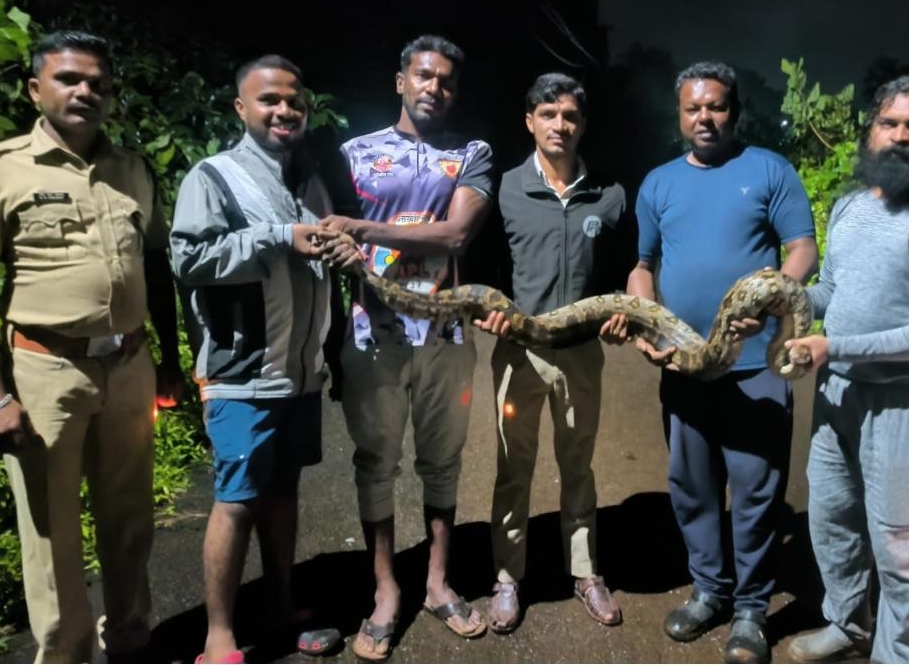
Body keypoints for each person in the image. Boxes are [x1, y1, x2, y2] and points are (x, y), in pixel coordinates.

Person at [0, 30, 183, 663]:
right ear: (36, 88)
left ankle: (133, 639)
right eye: (69, 79)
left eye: (98, 84)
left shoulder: (133, 170)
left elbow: (154, 267)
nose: (85, 91)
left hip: (130, 364)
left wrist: (167, 359)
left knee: (130, 514)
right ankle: (65, 652)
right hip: (45, 370)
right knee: (50, 529)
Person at [780, 76, 909, 663]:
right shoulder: (849, 206)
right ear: (870, 130)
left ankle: (902, 656)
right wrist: (784, 298)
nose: (900, 136)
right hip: (837, 396)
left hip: (903, 405)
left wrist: (833, 346)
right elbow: (831, 292)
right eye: (889, 123)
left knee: (905, 550)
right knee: (832, 522)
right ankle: (846, 624)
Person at [621, 61, 818, 664]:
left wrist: (774, 299)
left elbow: (803, 249)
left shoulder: (768, 170)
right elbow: (643, 266)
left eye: (716, 107)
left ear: (735, 111)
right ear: (678, 115)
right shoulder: (657, 183)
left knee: (757, 491)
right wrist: (642, 313)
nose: (704, 118)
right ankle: (710, 591)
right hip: (684, 365)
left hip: (755, 365)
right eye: (692, 108)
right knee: (692, 487)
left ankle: (753, 610)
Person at [170, 55, 355, 664]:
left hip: (298, 374)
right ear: (241, 109)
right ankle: (218, 637)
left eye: (294, 102)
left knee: (282, 492)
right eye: (269, 100)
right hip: (243, 373)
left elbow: (319, 265)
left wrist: (342, 250)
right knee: (237, 500)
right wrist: (277, 238)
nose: (284, 111)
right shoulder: (212, 177)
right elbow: (188, 260)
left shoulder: (308, 180)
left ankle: (282, 604)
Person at [317, 34, 494, 660]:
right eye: (423, 75)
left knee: (443, 462)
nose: (434, 88)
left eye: (446, 80)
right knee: (377, 464)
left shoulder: (473, 154)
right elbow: (324, 238)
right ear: (401, 81)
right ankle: (387, 588)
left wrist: (360, 228)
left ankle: (439, 582)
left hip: (446, 334)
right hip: (372, 334)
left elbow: (454, 235)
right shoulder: (353, 155)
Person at [472, 73, 630, 633]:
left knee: (578, 465)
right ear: (529, 121)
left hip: (582, 354)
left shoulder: (609, 194)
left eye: (569, 116)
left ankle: (586, 572)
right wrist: (485, 313)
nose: (559, 124)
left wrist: (620, 314)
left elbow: (621, 271)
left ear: (582, 124)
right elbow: (482, 270)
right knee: (513, 468)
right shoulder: (506, 190)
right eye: (548, 114)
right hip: (519, 353)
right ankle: (508, 578)